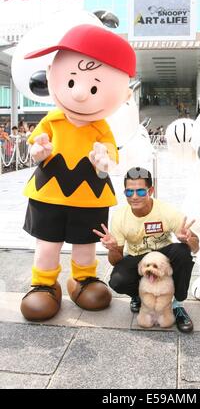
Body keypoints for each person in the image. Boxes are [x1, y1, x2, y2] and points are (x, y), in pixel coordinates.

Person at [18, 23, 136, 321]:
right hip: (49, 193)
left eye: (95, 87)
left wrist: (103, 160)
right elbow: (35, 145)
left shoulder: (101, 127)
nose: (81, 94)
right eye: (71, 82)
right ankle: (44, 284)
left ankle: (82, 279)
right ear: (51, 74)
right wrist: (39, 151)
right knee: (47, 245)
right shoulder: (52, 119)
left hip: (89, 196)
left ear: (123, 95)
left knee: (85, 245)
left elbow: (110, 154)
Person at [93, 167, 199, 333]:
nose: (134, 197)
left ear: (150, 190)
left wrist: (188, 240)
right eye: (129, 192)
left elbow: (196, 246)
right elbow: (116, 260)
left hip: (163, 254)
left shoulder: (167, 211)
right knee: (117, 280)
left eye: (141, 192)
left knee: (182, 252)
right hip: (137, 257)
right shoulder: (120, 216)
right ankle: (139, 296)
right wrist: (113, 248)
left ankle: (178, 306)